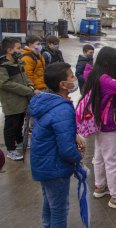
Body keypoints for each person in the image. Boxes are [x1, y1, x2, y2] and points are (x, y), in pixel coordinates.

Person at [30, 62, 84, 228]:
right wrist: (78, 158)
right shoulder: (63, 108)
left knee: (49, 203)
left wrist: (73, 135)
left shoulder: (45, 101)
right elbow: (67, 149)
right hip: (55, 168)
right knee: (60, 209)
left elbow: (53, 128)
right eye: (71, 76)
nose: (75, 79)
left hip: (43, 164)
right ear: (62, 85)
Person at [81, 46, 116, 210]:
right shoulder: (104, 80)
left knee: (98, 156)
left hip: (98, 122)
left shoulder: (91, 74)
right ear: (110, 61)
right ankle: (115, 197)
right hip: (106, 124)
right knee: (111, 161)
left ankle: (100, 186)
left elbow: (89, 67)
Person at [0, 38, 38, 161]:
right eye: (17, 48)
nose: (20, 50)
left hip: (22, 99)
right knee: (11, 125)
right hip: (11, 101)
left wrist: (30, 85)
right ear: (9, 50)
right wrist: (28, 90)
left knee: (19, 123)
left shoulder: (18, 62)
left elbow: (25, 77)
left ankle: (20, 141)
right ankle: (11, 149)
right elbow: (5, 84)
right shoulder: (3, 66)